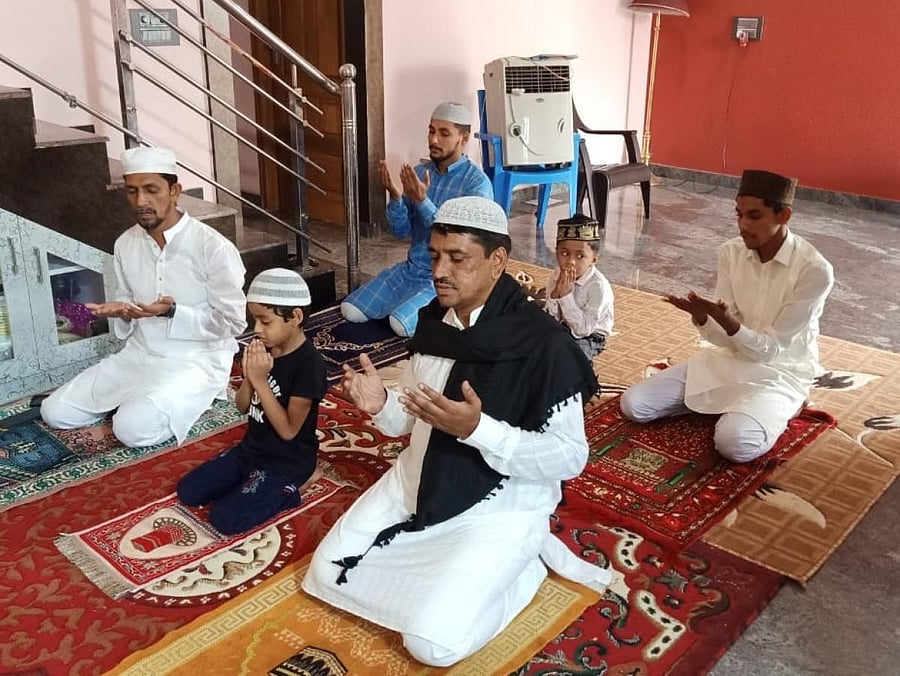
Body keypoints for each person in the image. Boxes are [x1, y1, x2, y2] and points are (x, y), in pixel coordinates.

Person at [303, 196, 609, 667]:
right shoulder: (434, 324)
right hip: (417, 483)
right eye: (434, 256)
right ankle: (457, 575)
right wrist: (381, 403)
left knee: (432, 645)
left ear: (497, 261)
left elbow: (570, 458)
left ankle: (524, 570)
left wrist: (479, 429)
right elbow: (410, 418)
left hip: (500, 504)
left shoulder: (545, 346)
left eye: (457, 259)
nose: (440, 271)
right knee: (325, 576)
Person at [620, 169, 834, 463]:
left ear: (783, 215)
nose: (743, 225)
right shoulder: (731, 253)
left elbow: (769, 350)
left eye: (754, 216)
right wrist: (704, 319)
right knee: (634, 405)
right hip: (727, 361)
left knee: (734, 445)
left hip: (780, 372)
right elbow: (722, 338)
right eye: (739, 215)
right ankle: (729, 406)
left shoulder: (814, 271)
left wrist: (726, 321)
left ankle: (784, 404)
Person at [40, 146, 246, 447]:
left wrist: (171, 312)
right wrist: (123, 311)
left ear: (175, 190)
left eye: (151, 190)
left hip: (196, 360)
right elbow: (128, 303)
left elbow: (233, 323)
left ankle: (183, 398)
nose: (141, 201)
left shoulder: (212, 247)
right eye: (132, 191)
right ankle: (144, 399)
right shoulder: (125, 243)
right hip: (140, 354)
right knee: (55, 412)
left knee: (132, 430)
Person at [177, 268, 327, 535]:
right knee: (188, 492)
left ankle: (296, 487)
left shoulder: (309, 365)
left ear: (295, 317)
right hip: (251, 451)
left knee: (225, 519)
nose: (257, 330)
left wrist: (260, 380)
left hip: (286, 462)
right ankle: (252, 483)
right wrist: (249, 376)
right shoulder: (264, 349)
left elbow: (289, 430)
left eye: (265, 321)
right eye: (254, 320)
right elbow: (243, 406)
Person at [340, 101, 493, 337]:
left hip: (449, 277)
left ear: (463, 139)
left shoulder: (476, 184)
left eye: (444, 133)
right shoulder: (420, 173)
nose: (433, 140)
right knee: (350, 310)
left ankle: (447, 309)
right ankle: (406, 304)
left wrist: (423, 201)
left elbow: (459, 241)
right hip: (412, 269)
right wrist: (395, 196)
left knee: (398, 326)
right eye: (431, 131)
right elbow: (401, 232)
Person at [543, 213, 614, 360]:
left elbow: (583, 330)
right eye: (564, 253)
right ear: (556, 252)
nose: (571, 262)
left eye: (580, 256)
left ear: (593, 259)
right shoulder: (556, 275)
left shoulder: (598, 286)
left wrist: (566, 296)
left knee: (574, 355)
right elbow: (551, 320)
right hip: (563, 327)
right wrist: (556, 294)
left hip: (590, 335)